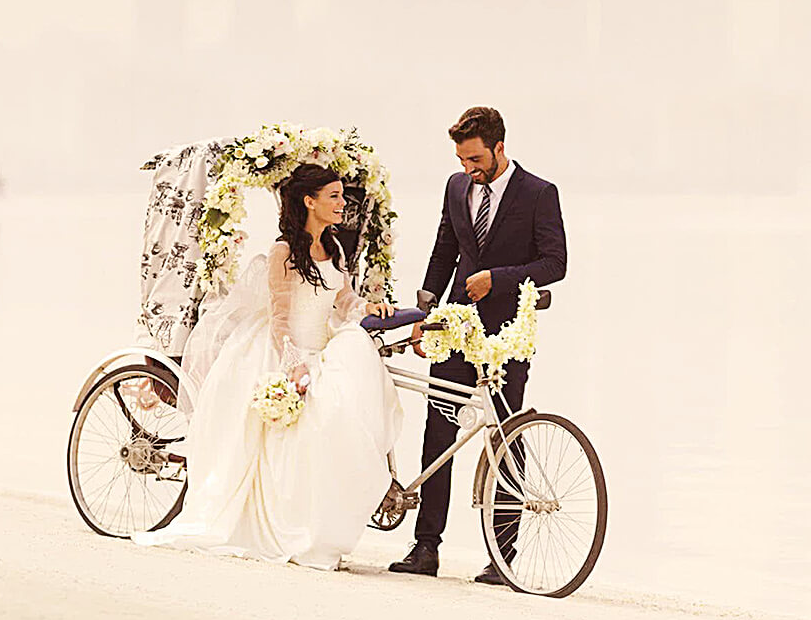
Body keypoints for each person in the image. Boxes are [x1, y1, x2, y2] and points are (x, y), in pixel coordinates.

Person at [133, 164, 405, 570]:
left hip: (323, 346)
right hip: (283, 348)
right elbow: (280, 318)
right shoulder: (283, 253)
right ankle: (291, 525)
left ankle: (324, 522)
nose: (341, 203)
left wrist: (369, 306)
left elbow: (343, 301)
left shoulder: (335, 248)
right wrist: (293, 365)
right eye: (333, 196)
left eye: (341, 195)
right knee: (304, 426)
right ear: (308, 201)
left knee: (343, 413)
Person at [389, 106, 567, 584]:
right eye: (461, 158)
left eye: (475, 158)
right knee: (437, 432)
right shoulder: (455, 186)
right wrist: (425, 314)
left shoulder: (539, 194)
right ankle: (426, 548)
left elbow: (555, 263)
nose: (468, 167)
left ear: (499, 148)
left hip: (508, 335)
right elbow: (445, 248)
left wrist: (500, 279)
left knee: (505, 437)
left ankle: (503, 556)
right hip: (453, 326)